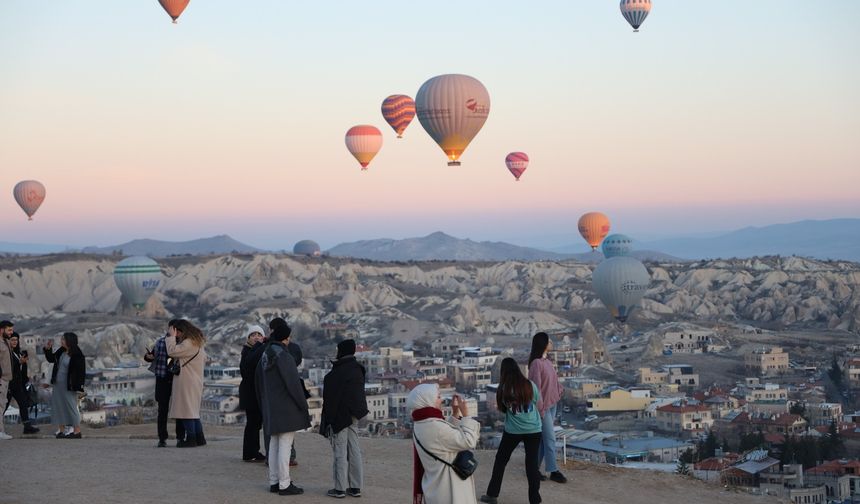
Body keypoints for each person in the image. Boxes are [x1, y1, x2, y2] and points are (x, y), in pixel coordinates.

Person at [256, 322, 309, 495]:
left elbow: (258, 382)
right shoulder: (284, 356)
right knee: (285, 444)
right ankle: (284, 483)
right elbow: (293, 384)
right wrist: (302, 405)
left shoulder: (266, 353)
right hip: (285, 407)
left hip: (271, 405)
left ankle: (274, 481)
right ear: (285, 338)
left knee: (274, 444)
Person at [480, 358, 542, 504]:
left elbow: (503, 409)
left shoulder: (503, 389)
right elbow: (535, 401)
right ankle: (535, 500)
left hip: (513, 431)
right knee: (531, 464)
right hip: (534, 429)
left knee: (501, 460)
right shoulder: (529, 385)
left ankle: (492, 494)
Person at [409, 383, 480, 504]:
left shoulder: (421, 423)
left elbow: (445, 438)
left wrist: (455, 413)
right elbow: (469, 441)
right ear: (427, 401)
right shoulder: (434, 426)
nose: (441, 400)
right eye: (437, 397)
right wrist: (467, 415)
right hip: (449, 487)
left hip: (437, 486)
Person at [320, 339, 368, 498]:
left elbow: (330, 399)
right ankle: (355, 487)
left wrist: (330, 421)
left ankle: (339, 488)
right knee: (354, 449)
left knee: (340, 452)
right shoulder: (358, 369)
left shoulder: (335, 373)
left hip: (340, 416)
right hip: (355, 414)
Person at [528, 332, 567, 484]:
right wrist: (541, 410)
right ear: (543, 344)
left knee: (544, 440)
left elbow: (553, 381)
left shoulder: (547, 361)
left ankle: (533, 468)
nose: (551, 343)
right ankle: (553, 471)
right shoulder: (536, 364)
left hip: (552, 404)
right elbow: (535, 389)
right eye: (549, 341)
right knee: (550, 438)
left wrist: (560, 390)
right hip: (542, 408)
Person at [269, 317, 304, 466]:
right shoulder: (293, 349)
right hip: (287, 394)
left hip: (273, 393)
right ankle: (289, 458)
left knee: (274, 435)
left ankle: (275, 467)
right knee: (287, 432)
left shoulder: (269, 349)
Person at [166, 319, 206, 448]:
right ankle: (200, 438)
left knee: (186, 410)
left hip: (187, 381)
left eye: (175, 331)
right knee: (193, 411)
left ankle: (191, 439)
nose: (175, 335)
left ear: (180, 330)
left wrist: (170, 337)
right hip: (195, 380)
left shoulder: (188, 343)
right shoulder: (197, 342)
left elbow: (171, 351)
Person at [144, 319, 184, 447]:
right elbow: (152, 356)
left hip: (176, 379)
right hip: (163, 378)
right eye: (173, 328)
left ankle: (179, 437)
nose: (174, 331)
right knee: (163, 410)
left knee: (178, 409)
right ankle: (163, 437)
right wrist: (148, 357)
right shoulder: (161, 342)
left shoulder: (183, 343)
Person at [44, 332, 86, 439]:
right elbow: (51, 359)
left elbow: (81, 372)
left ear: (69, 341)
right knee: (59, 407)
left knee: (71, 407)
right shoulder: (61, 351)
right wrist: (48, 349)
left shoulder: (77, 354)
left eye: (63, 339)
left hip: (69, 385)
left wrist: (80, 387)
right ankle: (61, 431)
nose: (61, 341)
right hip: (58, 384)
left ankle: (77, 431)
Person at [240, 324, 267, 462]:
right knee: (252, 423)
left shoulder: (255, 350)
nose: (256, 337)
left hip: (254, 393)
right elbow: (247, 369)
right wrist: (259, 346)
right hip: (250, 393)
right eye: (253, 335)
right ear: (248, 338)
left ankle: (252, 451)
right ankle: (250, 452)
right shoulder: (247, 351)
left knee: (255, 424)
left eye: (259, 335)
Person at [6, 332, 40, 434]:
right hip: (9, 384)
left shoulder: (18, 353)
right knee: (4, 406)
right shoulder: (6, 353)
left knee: (23, 404)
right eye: (12, 340)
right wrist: (19, 363)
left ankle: (27, 426)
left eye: (16, 340)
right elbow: (8, 368)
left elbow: (21, 370)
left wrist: (24, 364)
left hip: (18, 384)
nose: (14, 342)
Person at [0, 320, 15, 440]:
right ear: (2, 329)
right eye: (9, 330)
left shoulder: (6, 342)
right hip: (1, 378)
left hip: (6, 379)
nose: (11, 332)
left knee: (2, 405)